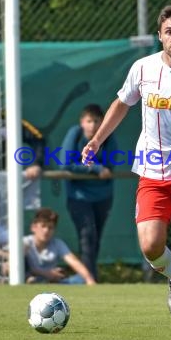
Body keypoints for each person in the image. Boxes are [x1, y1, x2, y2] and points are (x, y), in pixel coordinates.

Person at [81, 5, 171, 328]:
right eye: (170, 31)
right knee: (150, 245)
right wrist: (97, 140)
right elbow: (121, 104)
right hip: (151, 169)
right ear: (160, 35)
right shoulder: (142, 69)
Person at [61, 104, 116, 282]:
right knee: (87, 235)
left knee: (95, 238)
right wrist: (95, 168)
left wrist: (100, 168)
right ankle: (89, 280)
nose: (92, 125)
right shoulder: (75, 134)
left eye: (97, 121)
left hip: (103, 196)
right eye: (89, 121)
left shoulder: (108, 137)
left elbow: (112, 162)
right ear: (82, 122)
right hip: (78, 196)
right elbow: (65, 164)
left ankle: (88, 277)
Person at [23, 207, 97, 285]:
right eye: (43, 226)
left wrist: (89, 280)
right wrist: (46, 273)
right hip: (30, 279)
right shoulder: (24, 243)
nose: (46, 230)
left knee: (81, 279)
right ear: (33, 227)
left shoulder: (57, 243)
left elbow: (73, 261)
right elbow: (13, 266)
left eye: (50, 227)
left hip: (52, 281)